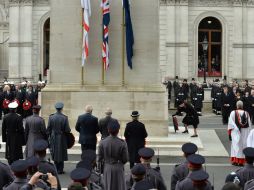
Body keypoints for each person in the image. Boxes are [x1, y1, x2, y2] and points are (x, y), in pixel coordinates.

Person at [98, 120, 129, 190]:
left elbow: (99, 158)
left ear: (108, 130)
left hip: (107, 167)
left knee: (108, 186)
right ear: (118, 130)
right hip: (118, 167)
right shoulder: (122, 143)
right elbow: (125, 159)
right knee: (119, 186)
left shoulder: (102, 142)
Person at [47, 102, 71, 174]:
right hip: (61, 137)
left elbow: (48, 129)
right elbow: (67, 130)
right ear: (62, 108)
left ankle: (56, 168)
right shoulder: (64, 118)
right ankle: (60, 169)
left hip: (53, 136)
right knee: (61, 152)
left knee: (54, 152)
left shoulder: (51, 117)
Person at [228, 100, 252, 166]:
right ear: (242, 106)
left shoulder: (233, 113)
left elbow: (230, 124)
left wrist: (229, 133)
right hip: (244, 133)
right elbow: (249, 125)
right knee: (243, 146)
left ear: (237, 106)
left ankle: (235, 161)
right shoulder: (246, 113)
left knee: (235, 146)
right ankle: (241, 161)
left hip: (235, 132)